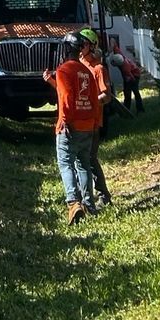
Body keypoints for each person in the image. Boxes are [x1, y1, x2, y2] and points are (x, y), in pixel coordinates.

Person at [43, 31, 103, 225]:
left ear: (66, 48)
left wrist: (65, 121)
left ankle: (73, 203)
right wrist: (94, 124)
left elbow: (67, 97)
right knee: (84, 164)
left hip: (69, 126)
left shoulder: (63, 70)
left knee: (66, 163)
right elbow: (94, 100)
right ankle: (89, 205)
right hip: (88, 126)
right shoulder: (86, 71)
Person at [87, 39, 114, 207]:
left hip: (93, 122)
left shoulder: (98, 69)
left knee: (90, 158)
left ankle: (103, 194)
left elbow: (107, 96)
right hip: (79, 122)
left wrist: (89, 103)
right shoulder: (79, 67)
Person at [121, 46, 145, 113]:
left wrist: (132, 80)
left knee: (135, 91)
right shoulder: (123, 58)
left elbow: (130, 75)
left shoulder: (124, 65)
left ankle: (140, 109)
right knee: (128, 91)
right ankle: (127, 108)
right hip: (133, 74)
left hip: (135, 75)